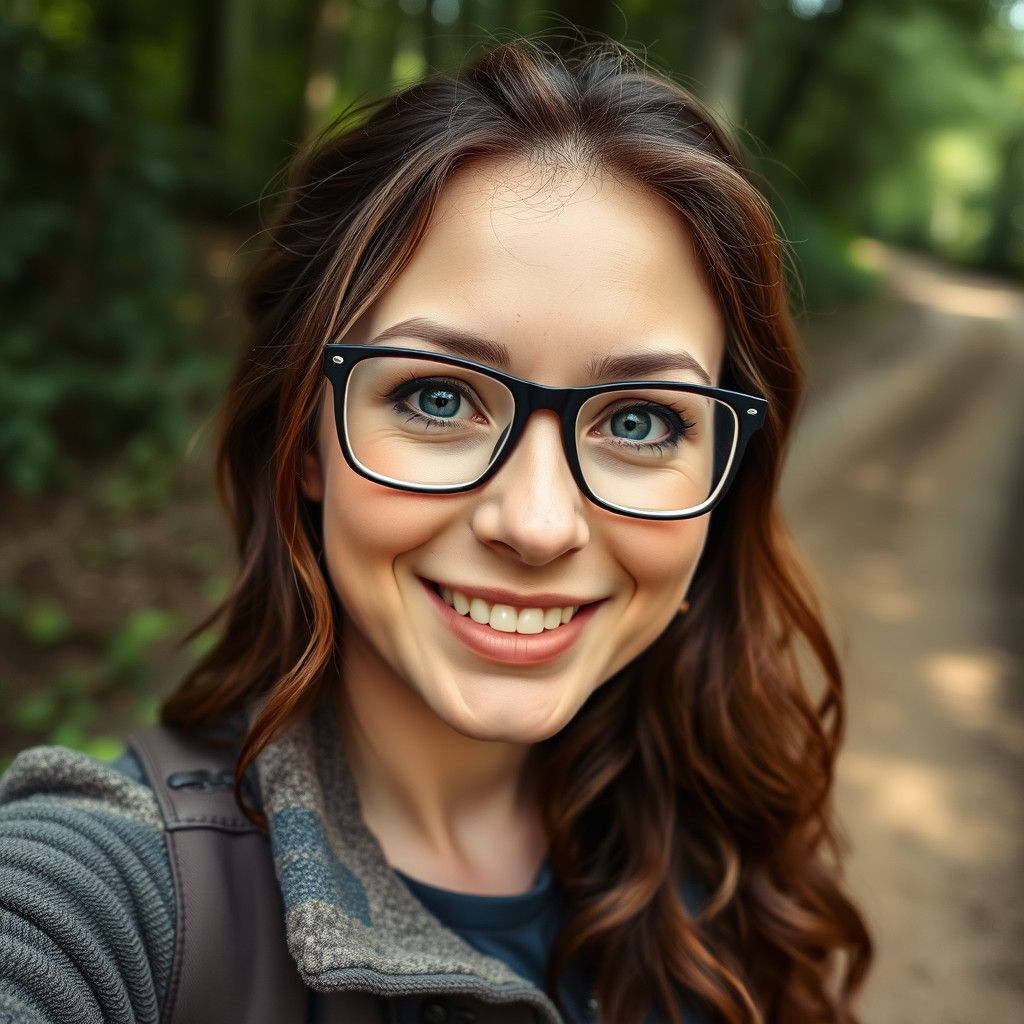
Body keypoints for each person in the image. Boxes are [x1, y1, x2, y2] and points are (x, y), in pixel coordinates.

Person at [0, 36, 872, 1024]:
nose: (538, 523)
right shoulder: (105, 893)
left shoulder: (727, 860)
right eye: (437, 397)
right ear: (303, 442)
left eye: (639, 420)